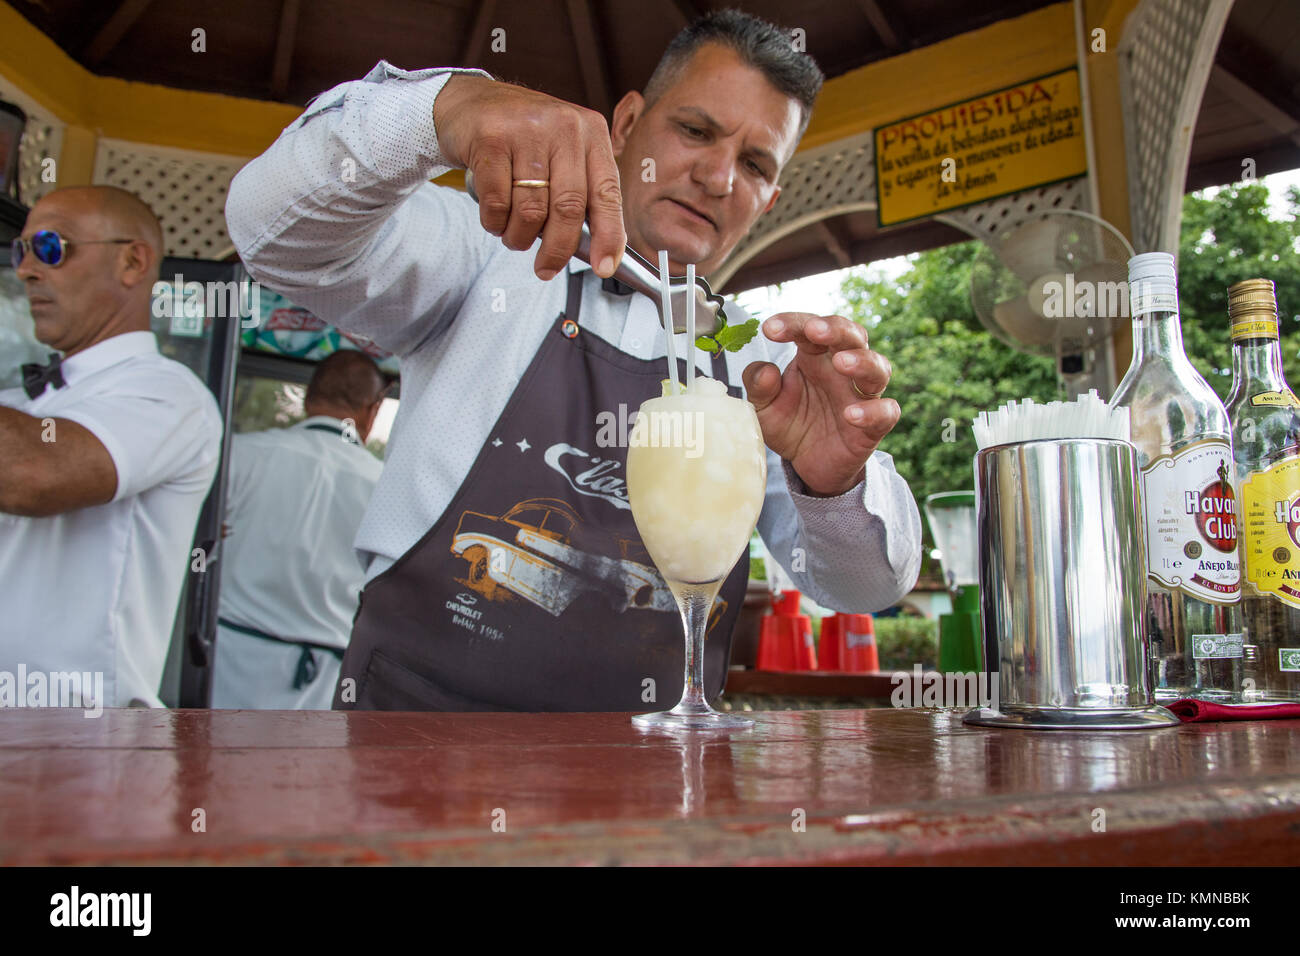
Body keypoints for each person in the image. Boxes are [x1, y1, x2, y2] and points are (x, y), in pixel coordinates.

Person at [226, 9, 923, 712]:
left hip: (661, 787)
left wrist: (834, 488)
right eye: (696, 131)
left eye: (753, 164)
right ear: (624, 126)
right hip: (412, 758)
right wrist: (443, 108)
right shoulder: (482, 255)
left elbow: (867, 588)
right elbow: (271, 231)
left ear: (769, 200)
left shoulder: (767, 363)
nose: (717, 176)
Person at [0, 186, 223, 708]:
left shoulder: (170, 394)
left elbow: (32, 475)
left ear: (132, 262)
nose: (28, 270)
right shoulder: (21, 401)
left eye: (50, 248)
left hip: (73, 752)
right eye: (20, 251)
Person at [211, 350, 387, 709]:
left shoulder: (242, 456)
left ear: (308, 398)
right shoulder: (385, 489)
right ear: (372, 412)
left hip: (226, 668)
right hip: (322, 684)